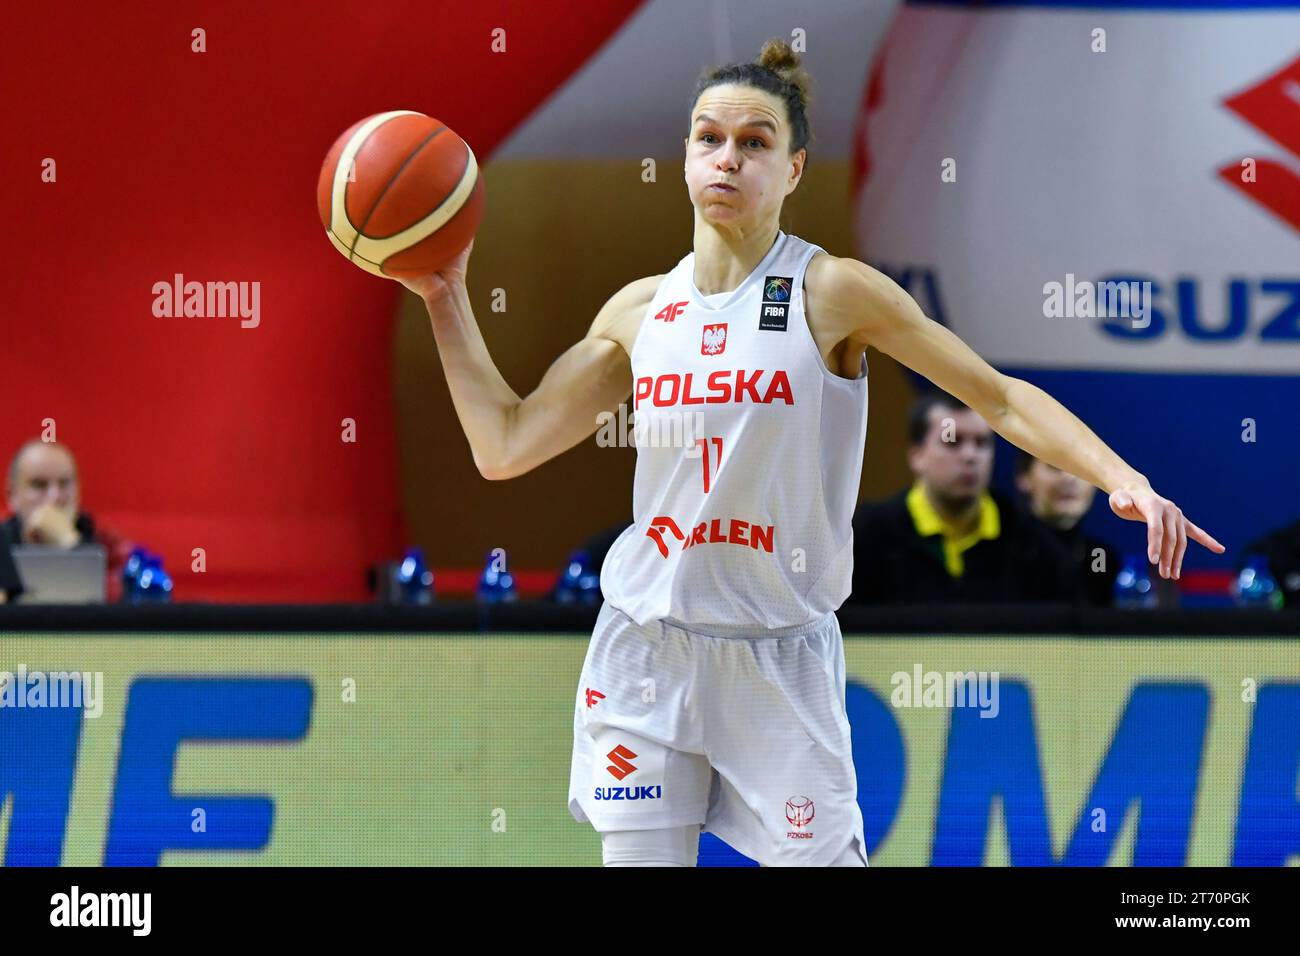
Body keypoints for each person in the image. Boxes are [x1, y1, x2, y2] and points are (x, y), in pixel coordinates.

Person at [395, 39, 1223, 867]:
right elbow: (503, 445)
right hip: (646, 646)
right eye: (708, 138)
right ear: (684, 157)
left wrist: (1124, 478)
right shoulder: (640, 312)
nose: (727, 158)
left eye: (754, 142)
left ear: (793, 170)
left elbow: (998, 396)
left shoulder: (832, 293)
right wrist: (446, 294)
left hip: (777, 651)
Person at [849, 393, 1079, 605]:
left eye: (981, 443)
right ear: (916, 456)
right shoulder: (866, 536)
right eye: (952, 442)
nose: (970, 456)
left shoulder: (1036, 544)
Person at [3, 440, 134, 602]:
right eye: (39, 485)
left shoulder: (109, 545)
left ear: (78, 491)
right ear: (11, 495)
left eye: (64, 484)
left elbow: (125, 607)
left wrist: (69, 541)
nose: (54, 497)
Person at [1014, 449, 1121, 606]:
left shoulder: (1102, 556)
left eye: (1081, 469)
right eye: (1054, 466)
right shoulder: (1001, 550)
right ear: (1024, 477)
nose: (1069, 478)